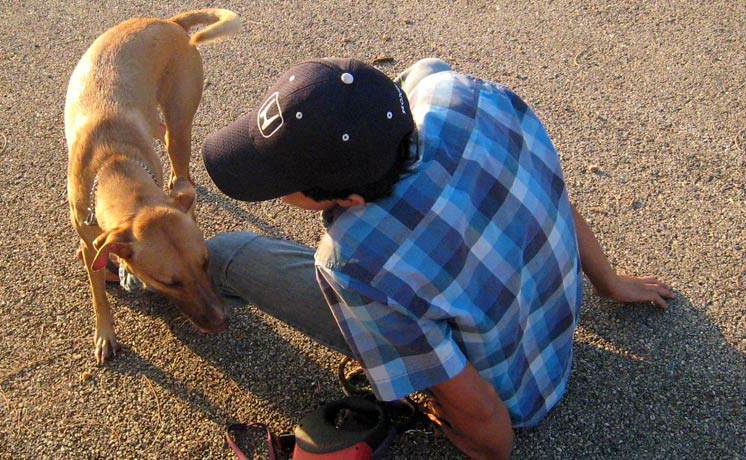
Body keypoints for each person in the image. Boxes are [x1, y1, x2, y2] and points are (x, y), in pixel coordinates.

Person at [200, 58, 674, 459]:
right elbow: (548, 190)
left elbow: (486, 421)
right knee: (426, 66)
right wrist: (609, 281)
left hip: (515, 395)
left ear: (349, 199)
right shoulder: (466, 95)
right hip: (549, 330)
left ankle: (180, 287)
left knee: (225, 252)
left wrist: (481, 442)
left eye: (279, 183)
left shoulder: (354, 262)